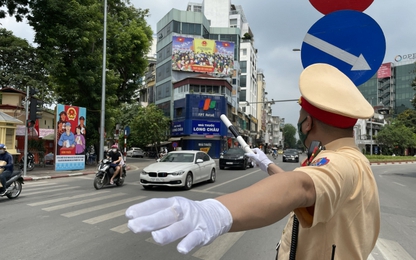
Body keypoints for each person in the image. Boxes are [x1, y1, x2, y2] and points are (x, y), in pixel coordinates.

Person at [125, 64, 380, 259]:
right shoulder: (353, 160)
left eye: (302, 117)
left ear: (308, 123)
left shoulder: (340, 163)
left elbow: (301, 188)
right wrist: (267, 164)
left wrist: (217, 212)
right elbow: (305, 190)